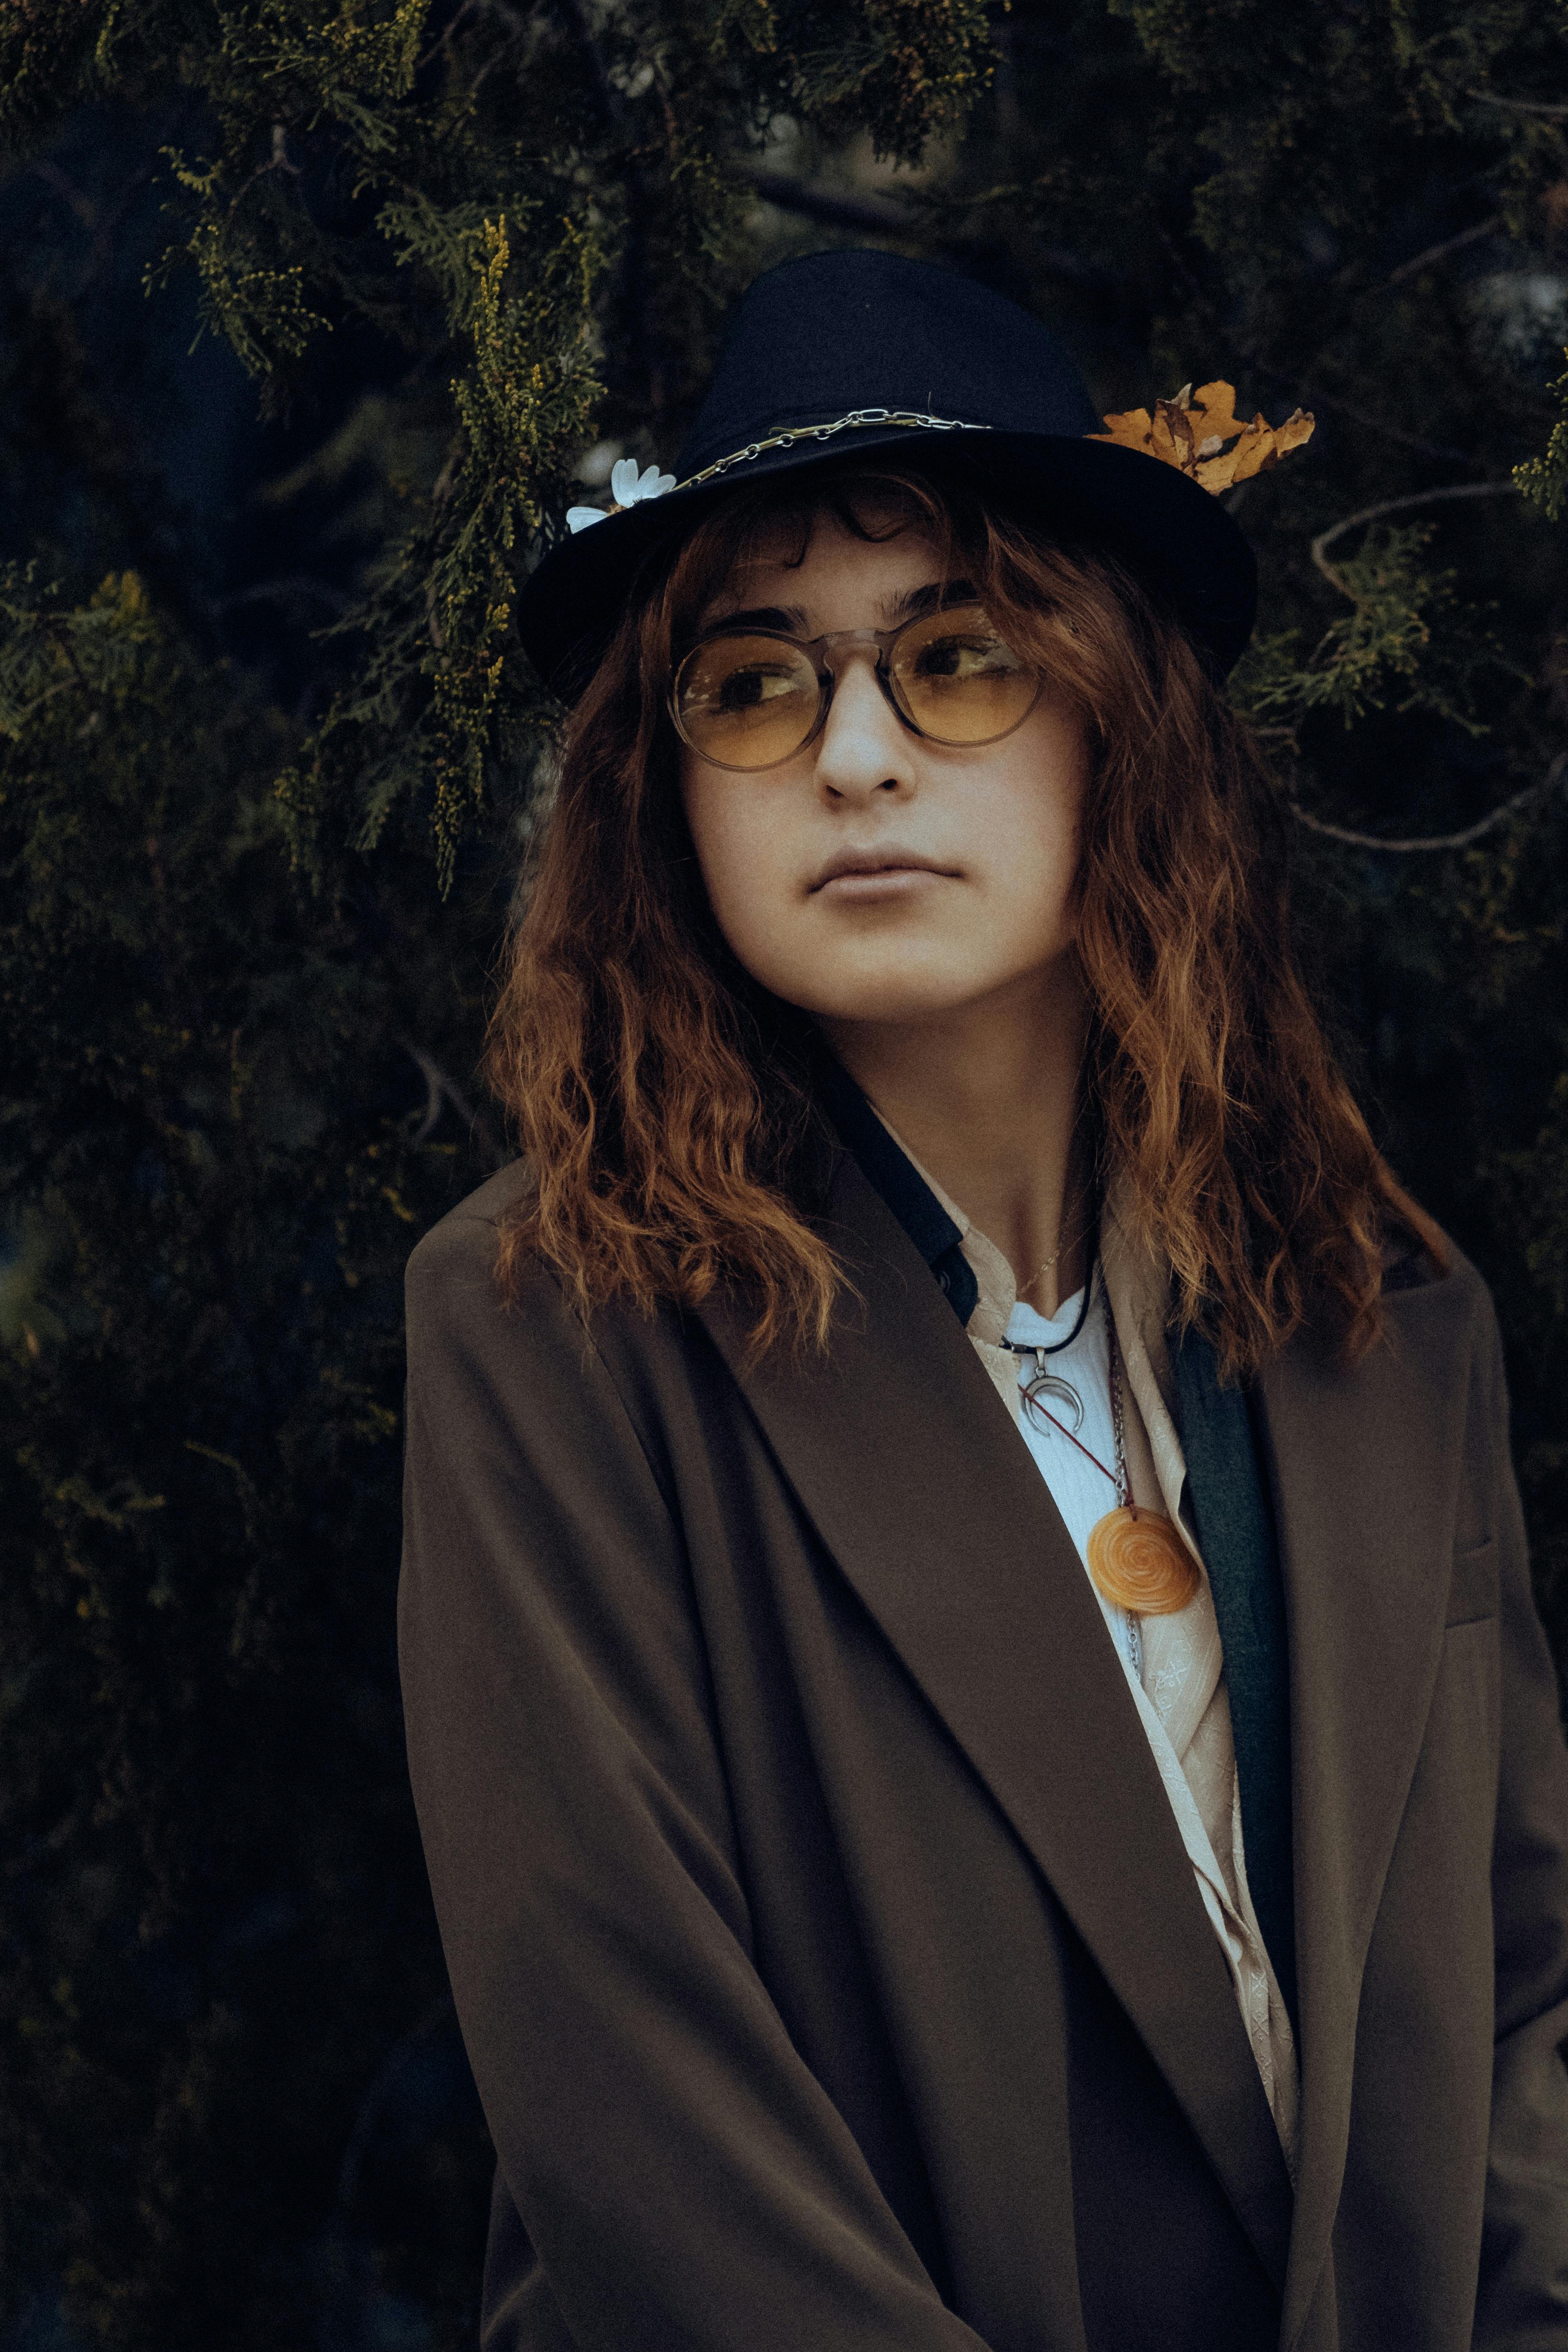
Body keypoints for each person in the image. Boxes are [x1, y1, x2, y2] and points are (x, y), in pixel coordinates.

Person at [397, 249, 1568, 2352]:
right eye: (753, 681)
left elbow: (1522, 1986)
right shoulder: (549, 1326)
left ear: (1121, 715)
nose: (851, 755)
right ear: (666, 790)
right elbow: (629, 2084)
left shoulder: (1388, 1314)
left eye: (954, 658)